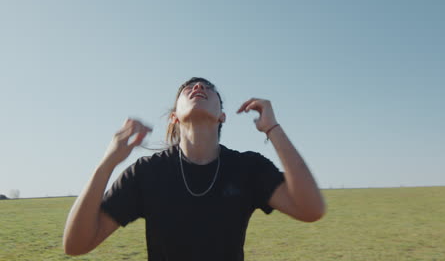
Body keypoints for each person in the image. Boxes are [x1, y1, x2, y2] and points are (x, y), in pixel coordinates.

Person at [63, 77, 326, 261]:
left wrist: (273, 128)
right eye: (188, 87)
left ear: (222, 115)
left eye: (208, 88)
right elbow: (76, 244)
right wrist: (108, 162)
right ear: (174, 116)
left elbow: (311, 209)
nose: (198, 87)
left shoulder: (249, 168)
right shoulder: (146, 172)